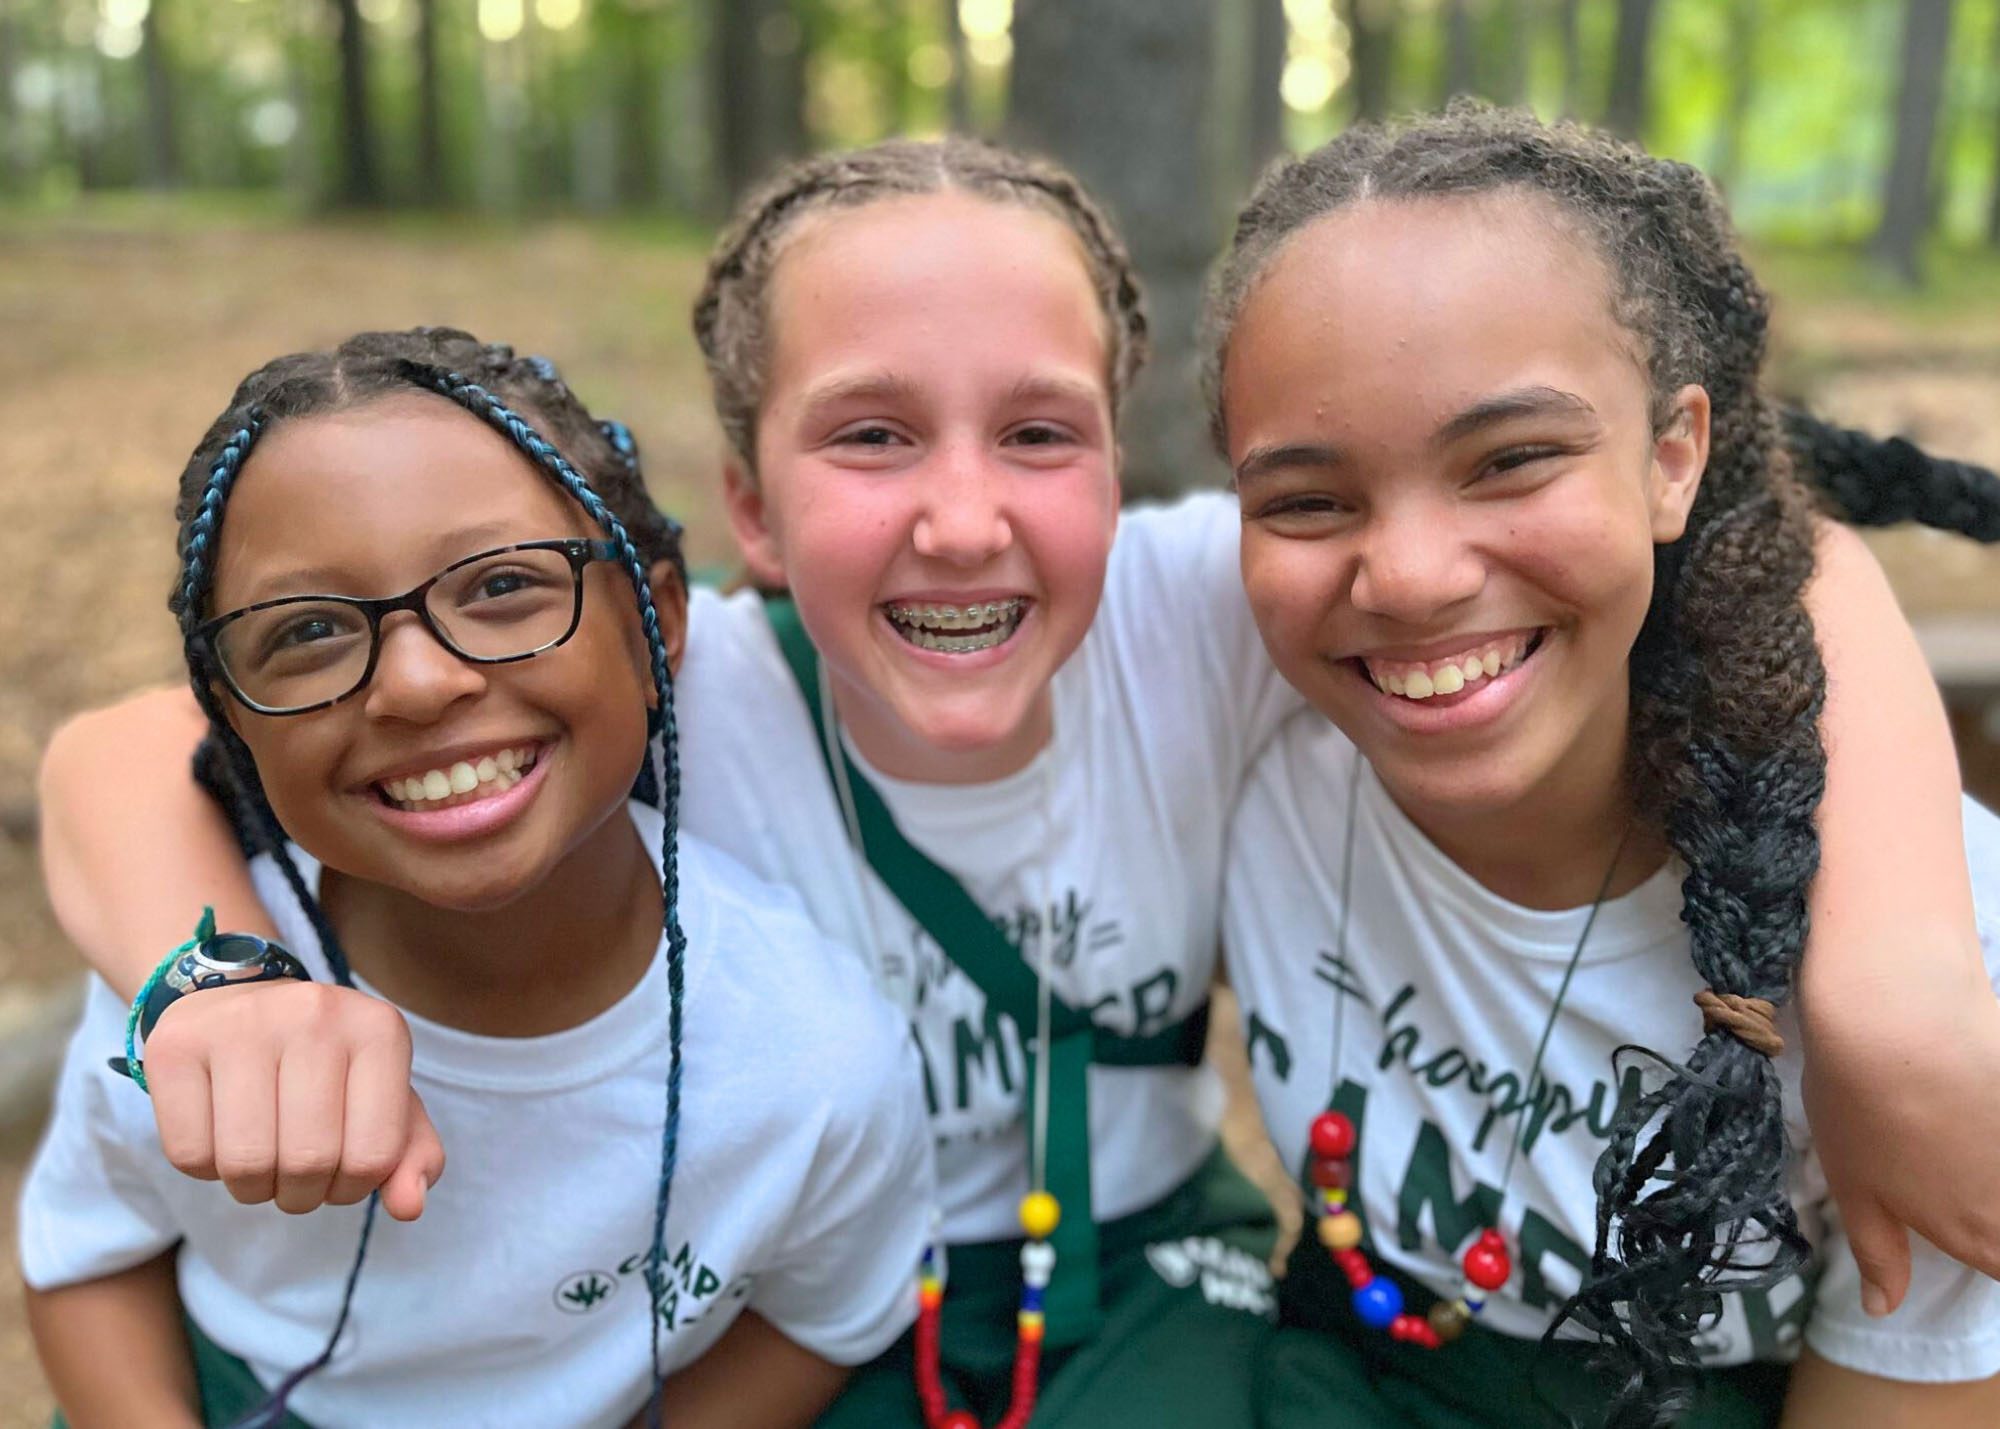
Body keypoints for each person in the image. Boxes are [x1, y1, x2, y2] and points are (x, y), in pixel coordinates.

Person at [30, 137, 2000, 1427]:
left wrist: (1901, 975)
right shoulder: (645, 681)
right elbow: (128, 747)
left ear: (1126, 475)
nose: (961, 520)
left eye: (1038, 434)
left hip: (1141, 1297)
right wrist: (219, 982)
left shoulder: (1225, 602)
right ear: (747, 514)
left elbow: (1769, 557)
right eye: (869, 435)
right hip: (813, 1314)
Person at [1207, 106, 2000, 1427]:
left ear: (1674, 455)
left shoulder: (1952, 986)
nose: (1407, 578)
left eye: (1511, 461)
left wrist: (1892, 987)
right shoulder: (1230, 674)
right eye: (1306, 497)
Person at [19, 329, 934, 1429]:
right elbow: (87, 1251)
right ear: (229, 714)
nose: (415, 682)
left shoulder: (816, 1056)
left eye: (502, 585)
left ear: (657, 629)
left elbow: (824, 1315)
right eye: (306, 629)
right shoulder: (193, 999)